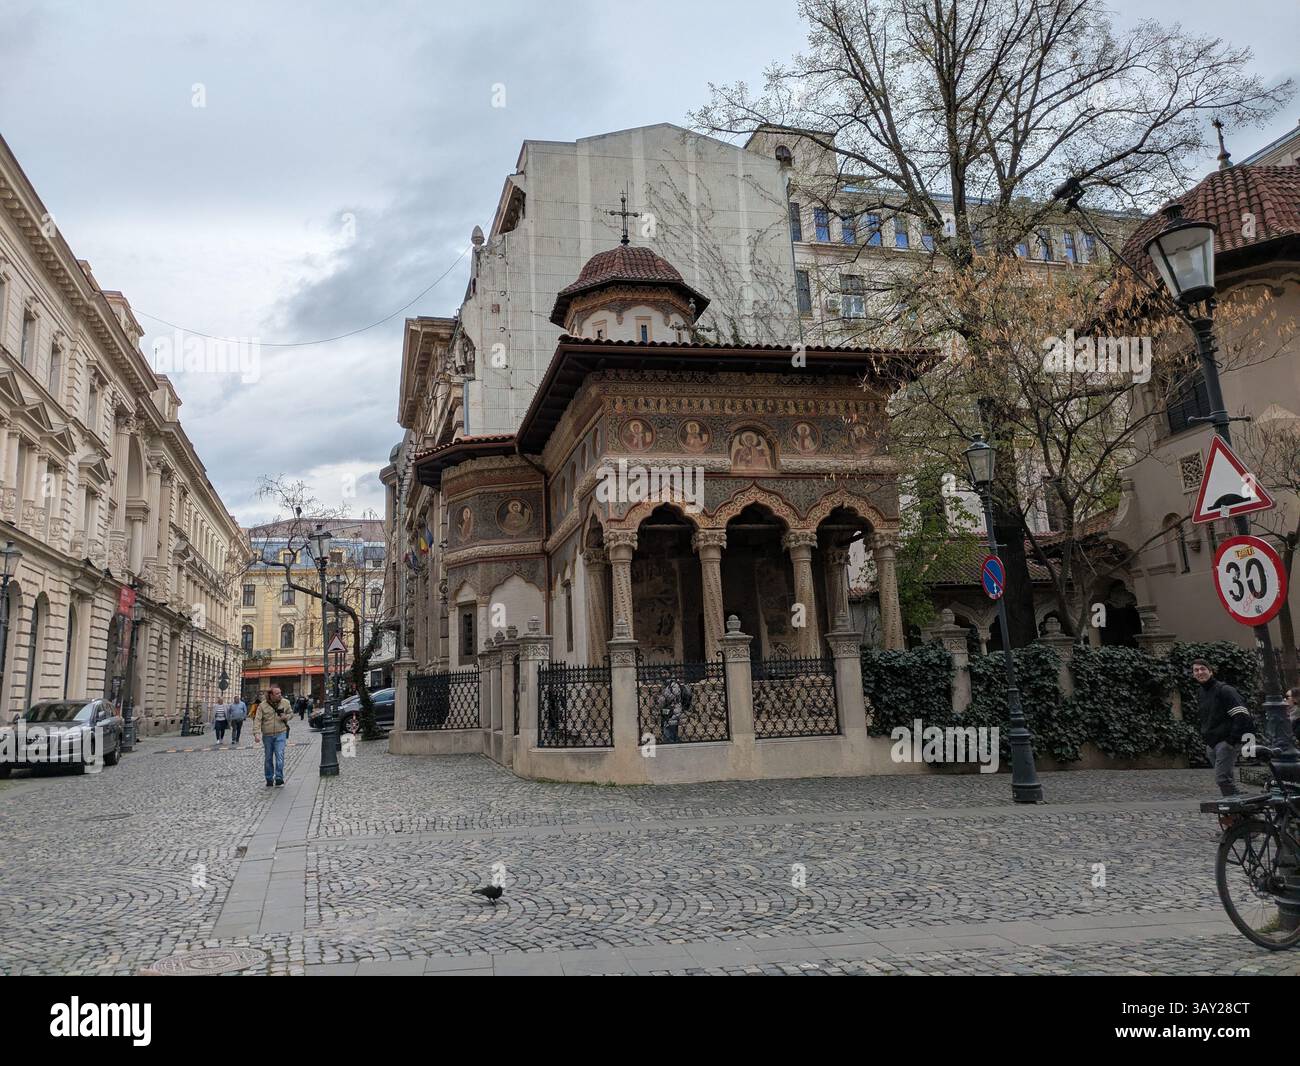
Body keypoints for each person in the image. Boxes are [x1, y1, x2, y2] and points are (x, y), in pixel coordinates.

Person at [1192, 659, 1254, 797]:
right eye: (1196, 670)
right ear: (1193, 674)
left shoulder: (1225, 690)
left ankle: (1238, 806)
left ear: (1211, 671)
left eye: (1203, 669)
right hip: (1212, 743)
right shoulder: (1201, 692)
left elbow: (1242, 714)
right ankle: (1238, 810)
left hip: (1225, 741)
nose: (1199, 672)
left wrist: (1232, 740)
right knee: (1226, 779)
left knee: (1222, 778)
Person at [254, 685, 294, 787]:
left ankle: (279, 778)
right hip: (267, 735)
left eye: (280, 693)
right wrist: (257, 733)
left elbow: (291, 713)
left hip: (281, 733)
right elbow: (257, 720)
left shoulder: (285, 702)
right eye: (277, 694)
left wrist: (286, 717)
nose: (280, 695)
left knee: (280, 755)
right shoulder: (262, 705)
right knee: (268, 758)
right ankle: (269, 778)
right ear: (270, 695)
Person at [658, 677, 692, 744]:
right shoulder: (669, 685)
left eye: (665, 672)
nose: (663, 675)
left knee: (668, 732)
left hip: (672, 711)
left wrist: (662, 697)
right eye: (661, 673)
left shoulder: (673, 685)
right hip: (672, 711)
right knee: (672, 729)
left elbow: (669, 697)